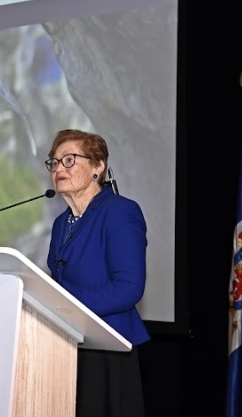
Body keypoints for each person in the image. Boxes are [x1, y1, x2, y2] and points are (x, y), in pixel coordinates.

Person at [45, 129, 149, 417]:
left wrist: (63, 308)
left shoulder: (119, 211)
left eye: (69, 160)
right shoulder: (60, 223)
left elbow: (128, 288)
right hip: (68, 345)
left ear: (98, 167)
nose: (58, 169)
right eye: (54, 162)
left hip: (108, 349)